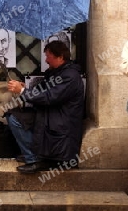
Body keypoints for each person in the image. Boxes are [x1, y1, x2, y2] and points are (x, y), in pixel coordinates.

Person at [6, 40, 84, 174]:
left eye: (49, 56)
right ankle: (33, 155)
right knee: (14, 117)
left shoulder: (70, 76)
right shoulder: (56, 72)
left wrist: (22, 92)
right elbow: (43, 91)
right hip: (49, 114)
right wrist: (26, 89)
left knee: (17, 119)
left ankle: (34, 159)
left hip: (60, 122)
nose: (46, 60)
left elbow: (49, 97)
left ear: (60, 57)